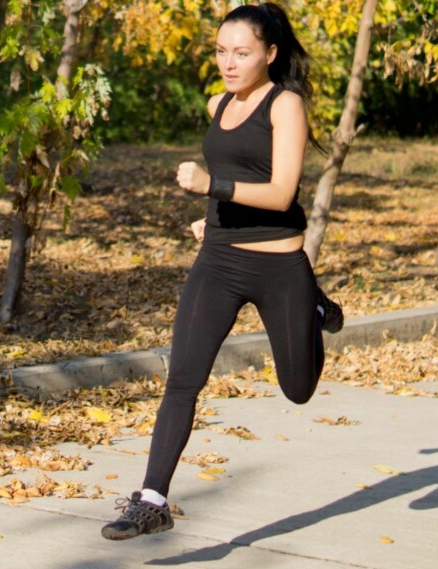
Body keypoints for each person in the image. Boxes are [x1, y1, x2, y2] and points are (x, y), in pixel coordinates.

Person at [101, 2, 343, 541]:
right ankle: (151, 500)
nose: (228, 63)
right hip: (219, 260)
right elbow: (235, 178)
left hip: (280, 264)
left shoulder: (286, 106)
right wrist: (209, 219)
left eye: (242, 52)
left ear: (270, 54)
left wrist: (212, 187)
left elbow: (281, 193)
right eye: (221, 51)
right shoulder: (218, 103)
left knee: (298, 389)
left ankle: (315, 306)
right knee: (183, 378)